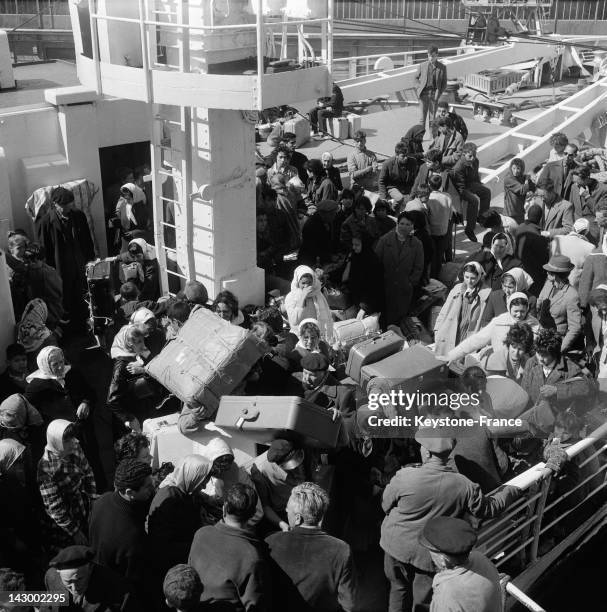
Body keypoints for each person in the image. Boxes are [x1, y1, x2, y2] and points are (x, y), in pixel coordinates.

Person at [380, 428, 520, 612]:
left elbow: (385, 505)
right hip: (428, 557)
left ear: (427, 452)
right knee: (421, 603)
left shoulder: (404, 476)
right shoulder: (464, 485)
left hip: (394, 546)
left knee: (398, 591)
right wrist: (511, 489)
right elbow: (490, 508)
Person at [266, 482, 356, 612]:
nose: (286, 512)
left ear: (297, 519)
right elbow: (349, 604)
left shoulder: (270, 543)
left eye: (287, 510)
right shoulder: (341, 550)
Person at [188, 483, 272, 612]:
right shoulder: (251, 557)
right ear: (253, 514)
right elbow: (254, 606)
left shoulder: (201, 533)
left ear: (224, 507)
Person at [148, 455, 212, 600]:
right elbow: (162, 544)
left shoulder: (185, 489)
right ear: (191, 477)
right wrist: (197, 545)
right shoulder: (168, 499)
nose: (204, 487)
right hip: (174, 568)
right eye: (201, 483)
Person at [89, 459, 155, 600]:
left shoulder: (102, 501)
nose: (153, 488)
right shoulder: (132, 537)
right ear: (129, 492)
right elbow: (136, 580)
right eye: (148, 486)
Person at [36, 186, 95, 328]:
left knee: (82, 296)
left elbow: (87, 240)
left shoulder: (78, 216)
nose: (69, 207)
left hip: (80, 266)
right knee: (65, 299)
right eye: (64, 205)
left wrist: (90, 260)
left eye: (70, 203)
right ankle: (68, 329)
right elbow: (45, 251)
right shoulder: (45, 223)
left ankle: (83, 325)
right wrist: (50, 272)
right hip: (60, 270)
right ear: (54, 204)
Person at [38, 420, 97, 554]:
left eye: (73, 437)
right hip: (66, 522)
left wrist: (93, 499)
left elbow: (88, 472)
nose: (75, 442)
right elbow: (55, 508)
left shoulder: (75, 448)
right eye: (67, 440)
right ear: (56, 442)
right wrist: (75, 532)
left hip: (83, 506)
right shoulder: (46, 469)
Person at [420, 517, 503, 612]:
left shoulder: (446, 596)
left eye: (431, 551)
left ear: (444, 560)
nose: (430, 555)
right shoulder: (481, 559)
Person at [519, 329, 592, 436]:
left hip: (555, 427)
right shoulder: (531, 362)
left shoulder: (570, 367)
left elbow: (585, 387)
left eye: (544, 355)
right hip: (531, 421)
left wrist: (557, 390)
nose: (540, 359)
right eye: (538, 353)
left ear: (555, 354)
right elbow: (524, 391)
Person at [41, 545, 142, 612]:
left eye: (79, 579)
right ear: (58, 573)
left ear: (90, 569)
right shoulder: (52, 577)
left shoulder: (120, 591)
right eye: (68, 582)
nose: (75, 588)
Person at [447, 292, 540, 363]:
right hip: (498, 365)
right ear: (509, 308)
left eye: (522, 311)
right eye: (516, 311)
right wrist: (452, 356)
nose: (519, 314)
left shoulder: (534, 324)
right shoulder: (499, 322)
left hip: (523, 368)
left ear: (527, 309)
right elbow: (476, 340)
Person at [375, 211, 424, 327]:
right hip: (385, 286)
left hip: (404, 289)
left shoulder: (417, 244)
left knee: (399, 318)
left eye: (408, 224)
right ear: (397, 224)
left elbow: (419, 267)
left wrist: (410, 282)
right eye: (402, 223)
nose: (404, 227)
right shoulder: (385, 240)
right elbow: (376, 263)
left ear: (412, 226)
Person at [200, 438, 264, 526]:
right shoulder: (200, 474)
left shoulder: (239, 474)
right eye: (216, 469)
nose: (220, 473)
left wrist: (237, 524)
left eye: (225, 469)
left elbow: (257, 511)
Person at [433, 262, 490, 357]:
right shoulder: (457, 289)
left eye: (473, 278)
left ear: (479, 277)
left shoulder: (486, 294)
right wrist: (437, 330)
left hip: (469, 336)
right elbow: (444, 311)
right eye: (466, 277)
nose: (469, 281)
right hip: (450, 333)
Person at [249, 439, 307, 532]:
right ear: (279, 464)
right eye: (292, 468)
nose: (297, 470)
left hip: (303, 500)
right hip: (284, 511)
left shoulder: (298, 452)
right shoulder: (259, 473)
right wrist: (283, 525)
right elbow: (266, 506)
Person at [107, 325, 155, 434]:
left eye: (143, 340)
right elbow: (112, 400)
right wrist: (130, 418)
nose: (143, 345)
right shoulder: (121, 366)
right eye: (138, 342)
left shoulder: (140, 354)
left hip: (144, 408)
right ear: (129, 343)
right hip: (135, 417)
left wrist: (144, 370)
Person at [537, 255, 582, 353]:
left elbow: (575, 327)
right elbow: (539, 303)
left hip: (556, 343)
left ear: (555, 275)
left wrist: (560, 349)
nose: (546, 273)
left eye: (548, 271)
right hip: (541, 337)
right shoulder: (548, 284)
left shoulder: (571, 296)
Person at [452, 142, 491, 242]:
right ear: (464, 154)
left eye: (474, 155)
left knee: (486, 192)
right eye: (470, 156)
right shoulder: (458, 167)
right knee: (474, 201)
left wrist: (479, 185)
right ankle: (469, 229)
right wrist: (469, 192)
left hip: (471, 184)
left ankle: (482, 217)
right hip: (461, 189)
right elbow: (460, 187)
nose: (473, 158)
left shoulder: (475, 161)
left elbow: (476, 177)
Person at [284, 265, 334, 343]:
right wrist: (302, 297)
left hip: (316, 337)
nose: (306, 286)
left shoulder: (317, 294)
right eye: (303, 283)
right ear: (298, 282)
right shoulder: (291, 297)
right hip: (299, 338)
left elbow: (326, 315)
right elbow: (294, 321)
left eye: (309, 283)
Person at [300, 352, 356, 418]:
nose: (306, 378)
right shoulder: (293, 379)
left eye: (312, 375)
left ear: (325, 373)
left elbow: (350, 422)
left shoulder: (343, 394)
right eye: (305, 373)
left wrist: (339, 416)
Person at [341, 233, 384, 316]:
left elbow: (375, 287)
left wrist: (364, 307)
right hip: (353, 299)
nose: (354, 247)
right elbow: (343, 270)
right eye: (353, 244)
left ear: (365, 245)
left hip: (366, 305)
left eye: (357, 245)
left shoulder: (373, 262)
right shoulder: (354, 255)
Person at [514, 204, 550, 296]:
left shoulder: (520, 227)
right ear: (541, 219)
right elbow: (544, 260)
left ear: (528, 215)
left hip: (519, 268)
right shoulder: (538, 237)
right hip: (533, 275)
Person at [551, 217, 595, 288]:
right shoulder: (590, 248)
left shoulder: (557, 239)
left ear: (573, 228)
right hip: (573, 288)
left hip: (553, 282)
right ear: (586, 232)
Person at [17, 298, 58, 370]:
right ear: (43, 313)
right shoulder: (46, 335)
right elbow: (55, 358)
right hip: (41, 371)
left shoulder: (20, 327)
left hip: (25, 370)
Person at [298, 199, 340, 266]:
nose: (334, 216)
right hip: (310, 261)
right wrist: (329, 257)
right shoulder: (311, 225)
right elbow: (312, 248)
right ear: (324, 213)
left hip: (323, 258)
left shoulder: (328, 221)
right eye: (332, 214)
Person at [415, 45, 447, 131]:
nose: (431, 58)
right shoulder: (422, 66)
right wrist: (418, 87)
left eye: (433, 56)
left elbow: (444, 83)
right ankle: (419, 138)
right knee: (422, 119)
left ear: (437, 55)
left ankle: (432, 138)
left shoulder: (442, 68)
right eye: (429, 56)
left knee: (432, 119)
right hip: (423, 95)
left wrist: (439, 94)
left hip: (434, 95)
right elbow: (415, 78)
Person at [426, 174, 453, 278]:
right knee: (439, 255)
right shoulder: (447, 196)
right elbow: (450, 215)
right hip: (443, 230)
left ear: (429, 184)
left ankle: (432, 277)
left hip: (431, 231)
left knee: (432, 256)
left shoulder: (428, 198)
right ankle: (438, 276)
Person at [112, 183, 150, 252]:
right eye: (125, 198)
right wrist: (116, 221)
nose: (126, 201)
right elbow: (122, 220)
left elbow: (149, 230)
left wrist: (135, 232)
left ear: (135, 196)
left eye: (129, 199)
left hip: (140, 244)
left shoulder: (143, 210)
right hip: (125, 242)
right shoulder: (124, 205)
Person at [378, 142, 418, 207]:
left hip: (407, 188)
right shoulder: (387, 163)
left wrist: (411, 196)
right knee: (399, 198)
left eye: (407, 155)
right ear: (396, 155)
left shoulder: (413, 162)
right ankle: (391, 210)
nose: (406, 158)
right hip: (392, 187)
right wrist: (383, 198)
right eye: (403, 156)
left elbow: (415, 180)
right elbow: (381, 181)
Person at [504, 158, 535, 223]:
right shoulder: (508, 179)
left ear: (522, 169)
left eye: (518, 168)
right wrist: (527, 180)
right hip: (511, 213)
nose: (515, 171)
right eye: (514, 168)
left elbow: (533, 187)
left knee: (520, 231)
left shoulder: (522, 177)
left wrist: (532, 191)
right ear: (511, 168)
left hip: (520, 211)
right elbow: (522, 190)